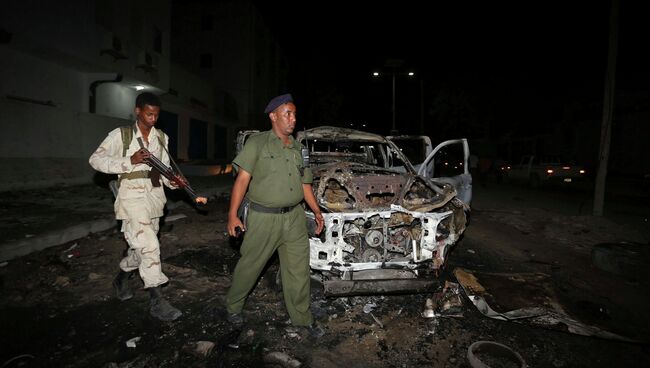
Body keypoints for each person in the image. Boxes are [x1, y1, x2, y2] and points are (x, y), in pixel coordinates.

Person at [89, 92, 205, 321]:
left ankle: (121, 278)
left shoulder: (161, 137)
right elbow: (95, 160)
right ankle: (157, 301)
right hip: (131, 198)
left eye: (156, 115)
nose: (153, 118)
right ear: (138, 111)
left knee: (139, 248)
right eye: (149, 114)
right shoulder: (120, 135)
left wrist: (172, 182)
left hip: (154, 199)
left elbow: (162, 173)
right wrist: (128, 161)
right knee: (150, 245)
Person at [225, 93, 325, 337]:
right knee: (250, 265)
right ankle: (233, 307)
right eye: (286, 114)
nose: (292, 119)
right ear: (273, 116)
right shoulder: (257, 143)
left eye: (294, 114)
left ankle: (302, 318)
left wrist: (317, 211)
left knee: (298, 270)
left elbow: (305, 185)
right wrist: (232, 215)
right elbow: (241, 181)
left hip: (294, 218)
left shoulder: (300, 149)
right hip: (263, 218)